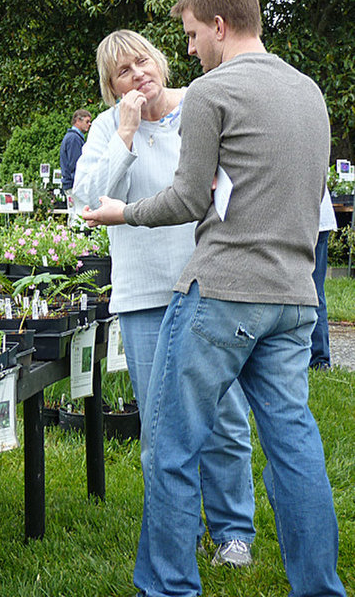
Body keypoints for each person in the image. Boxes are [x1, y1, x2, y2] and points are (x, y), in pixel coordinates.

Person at [81, 0, 346, 597]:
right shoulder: (309, 91)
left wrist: (125, 214)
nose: (191, 48)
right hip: (294, 296)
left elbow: (185, 199)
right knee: (294, 446)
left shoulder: (210, 91)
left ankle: (170, 586)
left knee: (170, 447)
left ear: (220, 26)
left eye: (194, 35)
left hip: (222, 294)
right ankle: (320, 587)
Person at [71, 29, 256, 567]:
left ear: (161, 62)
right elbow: (90, 198)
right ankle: (178, 531)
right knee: (160, 422)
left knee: (223, 412)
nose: (139, 75)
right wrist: (126, 134)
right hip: (144, 291)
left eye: (143, 62)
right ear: (111, 87)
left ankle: (232, 533)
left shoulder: (200, 105)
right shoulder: (107, 128)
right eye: (124, 72)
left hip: (209, 282)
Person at [311, 186, 337, 369]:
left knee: (314, 291)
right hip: (320, 217)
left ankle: (319, 359)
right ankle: (320, 359)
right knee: (316, 291)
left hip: (310, 220)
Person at [58, 108, 92, 191]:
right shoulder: (74, 138)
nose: (90, 124)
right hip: (73, 186)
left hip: (72, 184)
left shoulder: (74, 137)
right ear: (78, 121)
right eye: (87, 121)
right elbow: (76, 165)